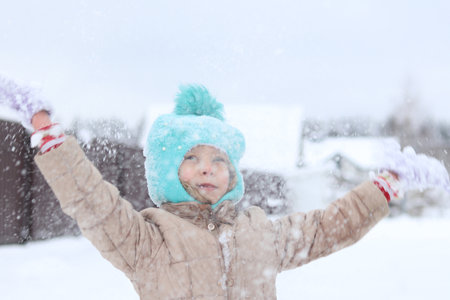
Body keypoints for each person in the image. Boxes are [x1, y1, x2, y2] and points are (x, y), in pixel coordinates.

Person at [2, 75, 448, 299]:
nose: (207, 168)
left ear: (234, 172)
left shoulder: (261, 231)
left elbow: (326, 227)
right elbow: (94, 204)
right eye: (191, 158)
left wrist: (382, 186)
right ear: (166, 172)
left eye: (219, 159)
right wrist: (51, 140)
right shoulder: (146, 239)